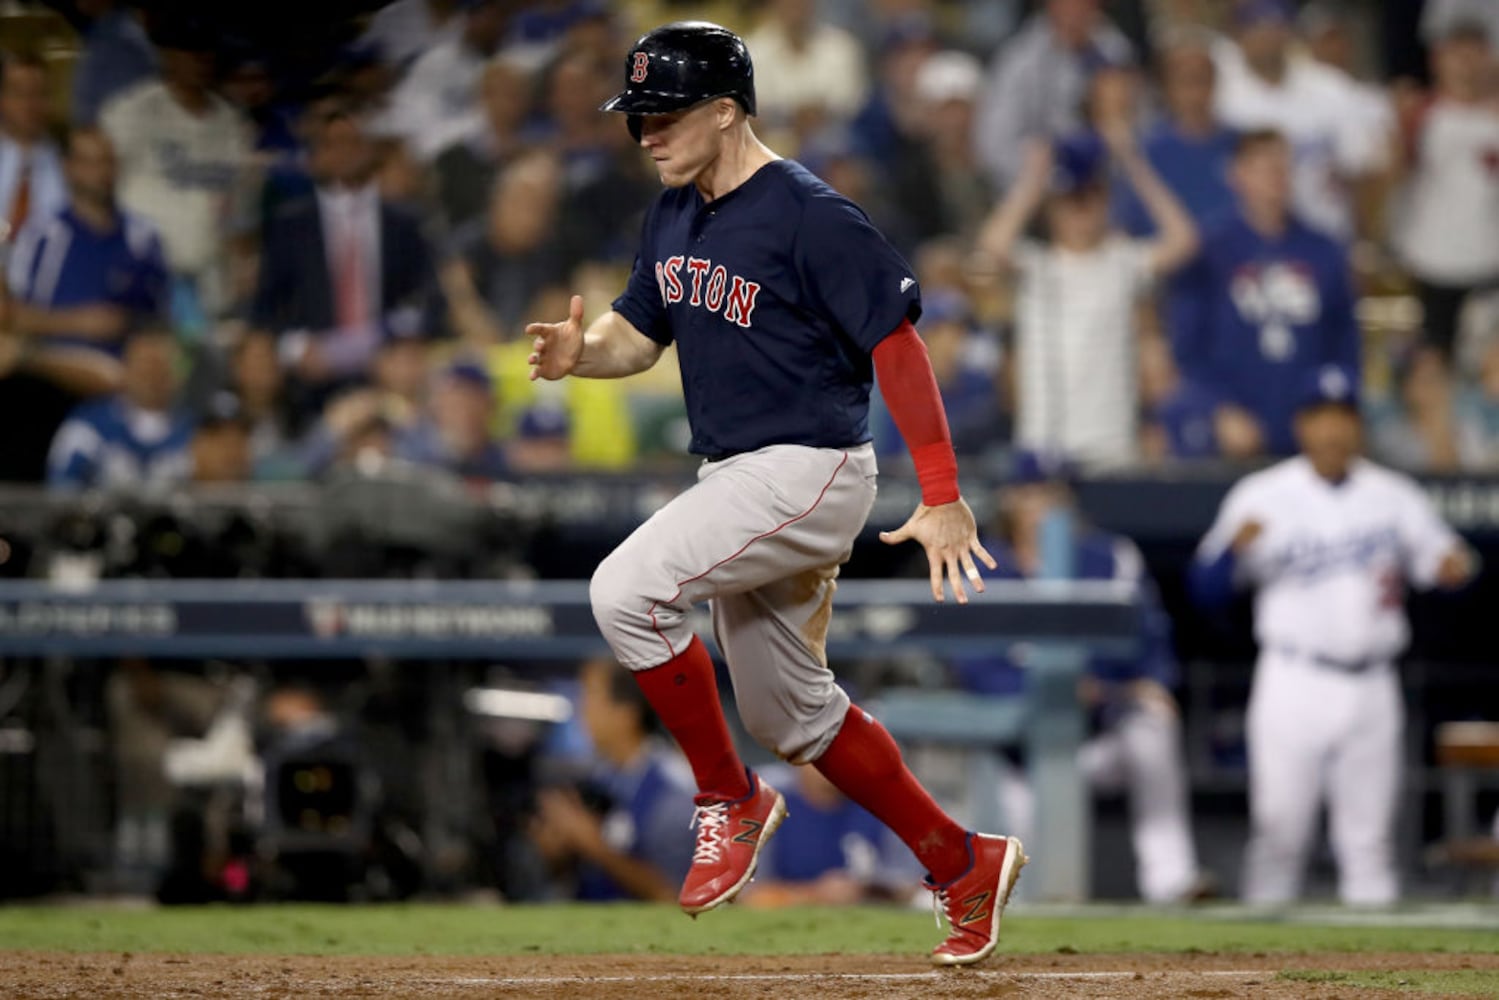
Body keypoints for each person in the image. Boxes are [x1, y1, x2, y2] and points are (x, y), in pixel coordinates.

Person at [526, 22, 1023, 966]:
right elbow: (638, 334)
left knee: (624, 591)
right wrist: (577, 356)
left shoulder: (807, 212)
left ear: (725, 111)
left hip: (809, 464)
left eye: (665, 115)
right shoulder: (671, 214)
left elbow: (896, 342)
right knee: (788, 716)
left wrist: (942, 491)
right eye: (637, 118)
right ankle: (961, 861)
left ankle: (729, 797)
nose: (646, 134)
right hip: (735, 474)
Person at [1190, 363, 1477, 904]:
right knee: (1279, 836)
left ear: (1357, 425)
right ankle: (1257, 959)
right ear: (1301, 425)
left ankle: (1375, 963)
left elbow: (1454, 564)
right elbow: (1204, 590)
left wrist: (1455, 569)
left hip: (1373, 683)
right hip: (1292, 679)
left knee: (1369, 846)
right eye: (1320, 417)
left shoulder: (1394, 495)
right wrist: (1231, 555)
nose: (1332, 430)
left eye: (1342, 416)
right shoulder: (1262, 493)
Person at [954, 452, 1207, 903]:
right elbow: (975, 665)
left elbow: (1148, 636)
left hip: (1100, 732)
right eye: (1033, 494)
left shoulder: (1110, 557)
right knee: (1024, 886)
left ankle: (1172, 878)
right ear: (1010, 499)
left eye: (1056, 493)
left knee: (1153, 726)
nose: (1045, 505)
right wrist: (1053, 691)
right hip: (1019, 753)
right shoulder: (980, 564)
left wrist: (1143, 683)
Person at [975, 127, 1197, 470]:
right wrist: (1032, 180)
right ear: (1053, 207)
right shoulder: (1036, 265)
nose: (1081, 210)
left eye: (1090, 198)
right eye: (1071, 200)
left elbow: (1184, 240)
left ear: (1105, 201)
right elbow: (993, 244)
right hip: (1045, 447)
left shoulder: (1122, 262)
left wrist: (1133, 163)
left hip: (1112, 446)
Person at [1174, 130, 1361, 459]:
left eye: (1282, 167)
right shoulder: (1209, 250)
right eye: (1263, 168)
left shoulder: (1324, 251)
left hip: (1308, 433)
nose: (1275, 178)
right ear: (1237, 175)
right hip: (1230, 436)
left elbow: (1344, 344)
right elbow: (1187, 347)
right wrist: (1218, 409)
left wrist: (1332, 413)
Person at [251, 107, 438, 414]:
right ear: (314, 157)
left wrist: (393, 342)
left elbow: (427, 296)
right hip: (310, 379)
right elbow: (266, 306)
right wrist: (295, 349)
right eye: (331, 144)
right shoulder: (289, 225)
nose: (343, 153)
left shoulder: (404, 223)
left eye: (352, 143)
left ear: (369, 151)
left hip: (389, 372)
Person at [99, 17, 251, 321]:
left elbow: (241, 209)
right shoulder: (129, 112)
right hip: (143, 278)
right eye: (190, 51)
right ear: (168, 55)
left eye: (206, 52)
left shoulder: (232, 123)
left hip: (211, 283)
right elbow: (97, 183)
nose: (201, 60)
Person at [7, 126, 169, 396]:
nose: (100, 172)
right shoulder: (40, 236)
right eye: (89, 162)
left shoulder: (143, 238)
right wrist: (80, 322)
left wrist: (128, 324)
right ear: (68, 167)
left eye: (107, 161)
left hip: (126, 382)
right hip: (51, 376)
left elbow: (161, 319)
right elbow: (13, 317)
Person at [530, 657, 697, 901]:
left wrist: (593, 845)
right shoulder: (599, 777)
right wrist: (559, 851)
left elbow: (676, 894)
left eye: (591, 697)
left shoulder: (673, 790)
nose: (582, 711)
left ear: (627, 713)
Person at [1390, 20, 1499, 363]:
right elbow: (1392, 178)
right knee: (1435, 361)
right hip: (1433, 261)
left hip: (1491, 260)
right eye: (1458, 55)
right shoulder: (1420, 115)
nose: (1467, 64)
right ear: (1438, 59)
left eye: (1475, 54)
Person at [971, 0, 1133, 190]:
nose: (1074, 8)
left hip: (1112, 184)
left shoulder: (1116, 51)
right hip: (1038, 188)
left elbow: (1141, 127)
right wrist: (1054, 179)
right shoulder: (1019, 61)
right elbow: (993, 145)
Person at [741, 764, 917, 908]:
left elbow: (912, 886)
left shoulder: (883, 802)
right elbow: (745, 894)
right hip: (786, 924)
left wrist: (863, 890)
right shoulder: (764, 797)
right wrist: (815, 894)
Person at [46, 326, 192, 490]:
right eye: (145, 366)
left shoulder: (198, 431)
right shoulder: (88, 427)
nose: (152, 376)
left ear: (179, 373)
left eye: (161, 367)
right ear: (126, 368)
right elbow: (62, 491)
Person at [0, 51, 69, 241]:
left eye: (39, 93)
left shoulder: (68, 167)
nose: (29, 104)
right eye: (19, 93)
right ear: (2, 99)